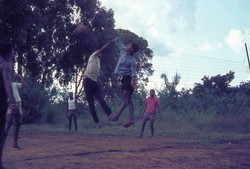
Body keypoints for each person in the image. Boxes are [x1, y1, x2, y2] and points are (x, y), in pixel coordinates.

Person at [108, 35, 139, 128]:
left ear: (132, 49)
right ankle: (132, 119)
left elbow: (133, 73)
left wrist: (132, 82)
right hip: (124, 78)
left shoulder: (132, 61)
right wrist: (108, 31)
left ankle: (117, 116)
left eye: (129, 45)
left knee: (125, 97)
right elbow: (117, 39)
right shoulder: (123, 50)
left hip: (129, 79)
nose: (127, 45)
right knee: (129, 100)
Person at [83, 40, 113, 128]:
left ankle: (109, 115)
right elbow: (101, 49)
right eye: (100, 52)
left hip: (94, 82)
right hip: (87, 81)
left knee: (101, 99)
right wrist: (108, 44)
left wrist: (102, 85)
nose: (101, 54)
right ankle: (97, 123)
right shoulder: (93, 55)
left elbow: (96, 75)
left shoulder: (98, 62)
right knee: (91, 103)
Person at [0, 42, 18, 169]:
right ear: (9, 52)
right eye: (12, 51)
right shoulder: (6, 65)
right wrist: (13, 102)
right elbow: (7, 83)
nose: (13, 54)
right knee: (1, 133)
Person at [4, 73, 27, 149]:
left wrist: (20, 77)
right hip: (11, 104)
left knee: (18, 124)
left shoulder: (14, 84)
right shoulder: (5, 85)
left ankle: (15, 143)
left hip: (18, 103)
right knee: (8, 123)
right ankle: (3, 142)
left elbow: (24, 85)